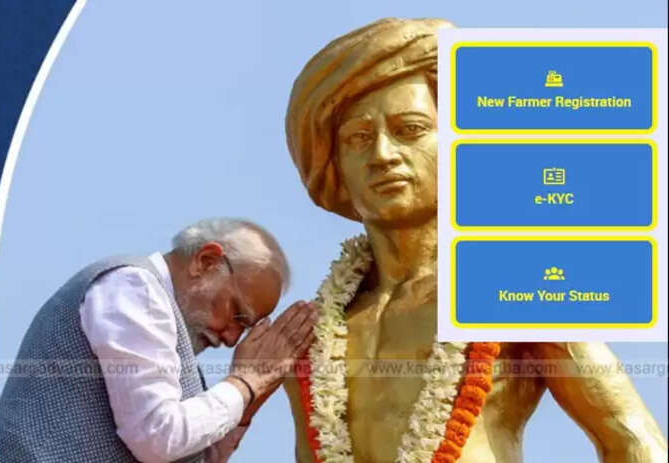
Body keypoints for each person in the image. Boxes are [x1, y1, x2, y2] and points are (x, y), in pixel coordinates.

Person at [283, 18, 667, 462]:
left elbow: (632, 439)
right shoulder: (316, 335)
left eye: (409, 129)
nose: (383, 155)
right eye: (359, 138)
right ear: (335, 165)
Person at [0, 218, 317, 462]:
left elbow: (190, 455)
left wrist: (251, 398)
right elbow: (157, 434)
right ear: (205, 262)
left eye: (245, 328)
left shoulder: (175, 351)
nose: (232, 338)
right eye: (236, 314)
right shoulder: (133, 288)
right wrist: (244, 383)